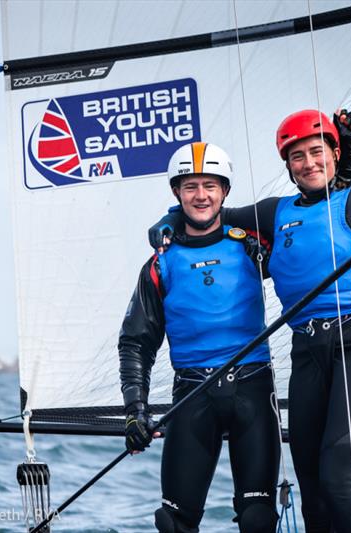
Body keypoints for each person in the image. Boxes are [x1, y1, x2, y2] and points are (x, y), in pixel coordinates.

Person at [148, 51, 351, 533]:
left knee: (337, 475)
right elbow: (207, 214)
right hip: (307, 352)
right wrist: (167, 220)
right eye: (298, 155)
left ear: (335, 154)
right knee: (310, 485)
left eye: (318, 152)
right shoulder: (273, 213)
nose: (309, 162)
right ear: (288, 165)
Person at [119, 141, 281, 533]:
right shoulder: (161, 260)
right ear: (177, 193)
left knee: (258, 518)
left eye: (210, 185)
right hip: (192, 392)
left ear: (225, 191)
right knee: (173, 522)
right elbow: (136, 342)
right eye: (190, 186)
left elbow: (310, 239)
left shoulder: (252, 244)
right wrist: (135, 411)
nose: (201, 195)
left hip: (253, 388)